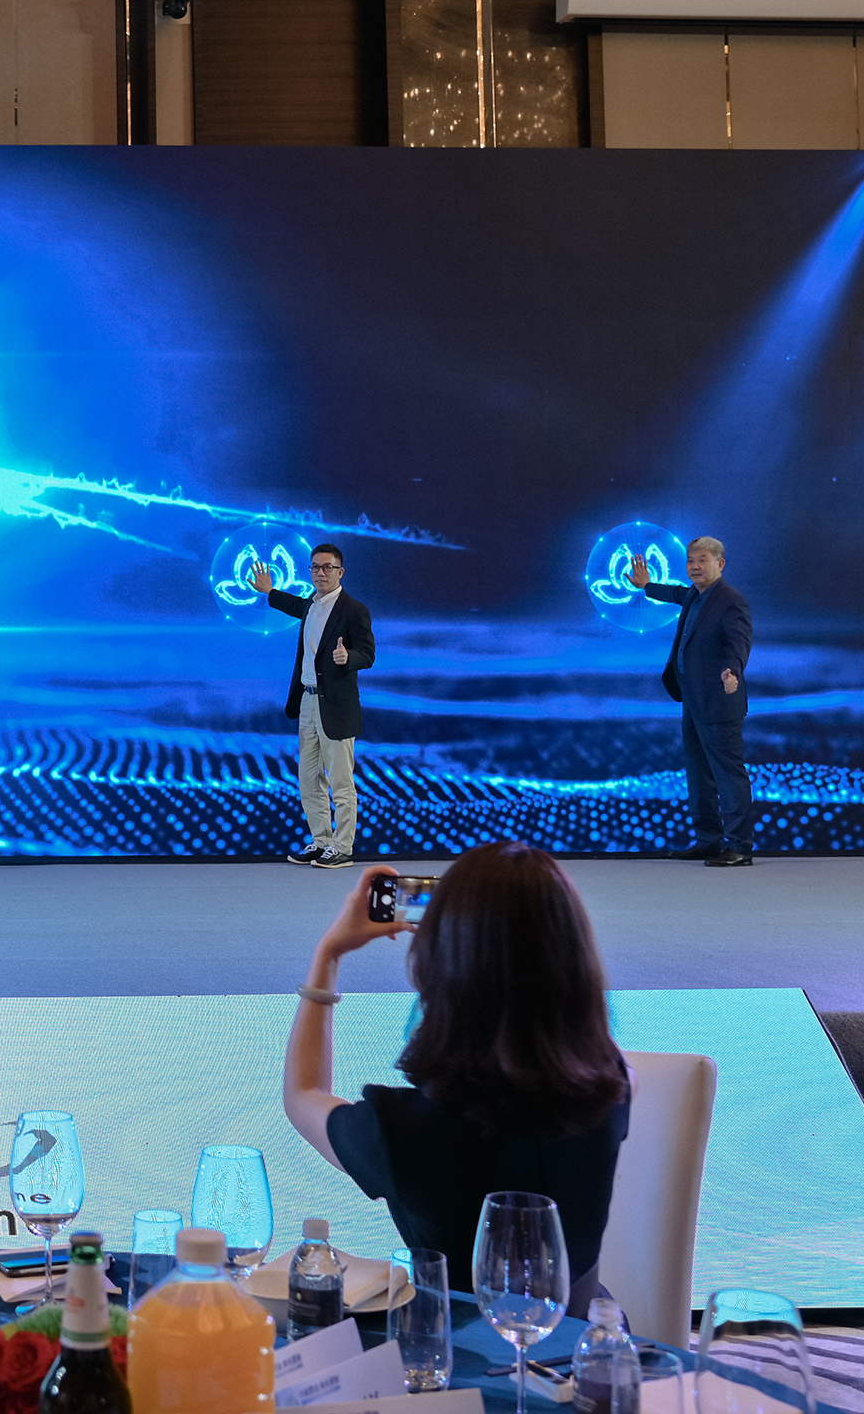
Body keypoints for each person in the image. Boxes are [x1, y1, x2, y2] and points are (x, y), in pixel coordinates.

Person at [282, 844, 632, 1313]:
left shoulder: (404, 1132)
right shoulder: (614, 1084)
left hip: (450, 1345)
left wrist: (329, 953)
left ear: (440, 964)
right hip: (586, 1339)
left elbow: (304, 1094)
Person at [629, 538, 753, 866]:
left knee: (728, 775)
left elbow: (738, 643)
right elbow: (674, 593)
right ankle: (708, 841)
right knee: (698, 774)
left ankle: (739, 847)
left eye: (702, 560)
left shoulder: (731, 601)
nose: (695, 566)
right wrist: (646, 586)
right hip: (693, 700)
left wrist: (732, 671)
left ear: (720, 564)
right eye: (690, 561)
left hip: (719, 701)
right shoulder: (694, 596)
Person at [252, 543, 375, 868]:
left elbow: (368, 653)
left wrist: (349, 657)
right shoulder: (311, 604)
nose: (320, 573)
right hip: (307, 700)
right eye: (315, 567)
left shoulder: (354, 610)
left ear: (340, 572)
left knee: (340, 781)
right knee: (308, 778)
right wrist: (270, 591)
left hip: (336, 705)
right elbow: (294, 605)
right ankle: (321, 842)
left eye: (327, 567)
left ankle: (343, 847)